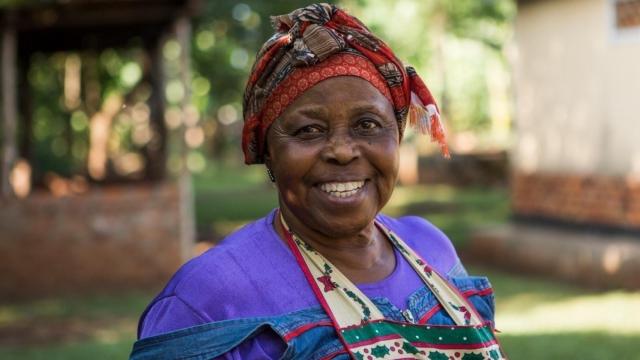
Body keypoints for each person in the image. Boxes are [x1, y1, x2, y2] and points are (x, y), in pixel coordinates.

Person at [131, 3, 505, 359]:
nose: (342, 151)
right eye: (309, 130)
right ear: (268, 152)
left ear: (397, 136)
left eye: (367, 125)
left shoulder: (431, 247)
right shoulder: (208, 298)